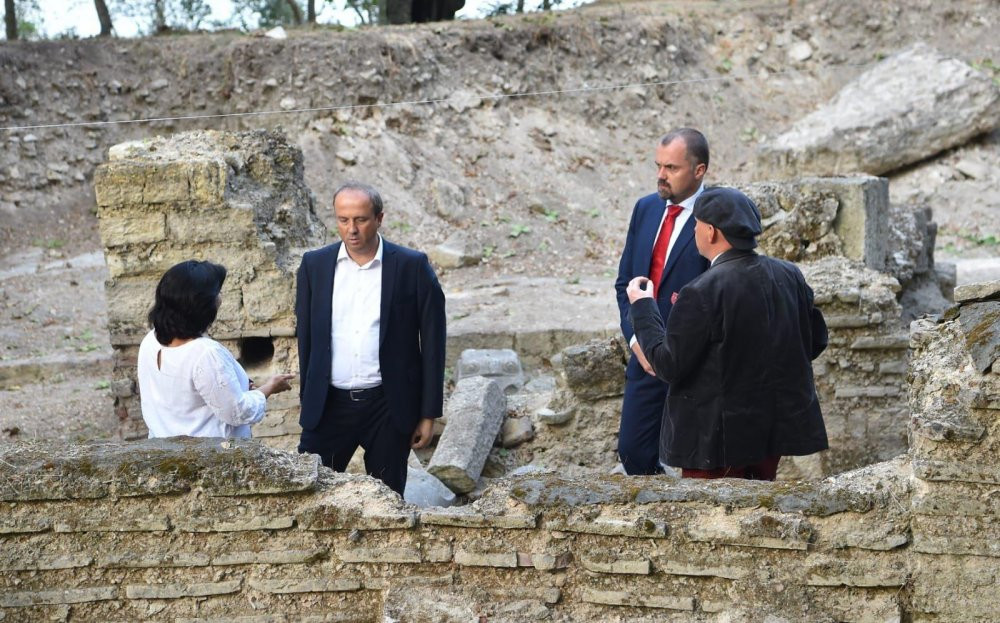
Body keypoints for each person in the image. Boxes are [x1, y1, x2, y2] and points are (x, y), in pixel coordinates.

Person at [626, 187, 829, 480]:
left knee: (712, 519)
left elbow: (668, 364)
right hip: (771, 431)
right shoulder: (788, 275)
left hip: (715, 440)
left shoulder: (702, 290)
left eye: (696, 225)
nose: (694, 231)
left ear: (710, 231)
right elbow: (815, 340)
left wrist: (643, 307)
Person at [295, 181, 446, 496]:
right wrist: (307, 399)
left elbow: (433, 343)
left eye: (361, 219)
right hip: (329, 406)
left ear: (379, 218)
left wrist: (428, 413)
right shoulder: (315, 265)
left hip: (388, 406)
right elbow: (307, 339)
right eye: (343, 220)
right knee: (307, 494)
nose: (351, 229)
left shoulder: (411, 265)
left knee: (388, 499)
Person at [614, 128, 712, 475]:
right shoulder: (645, 209)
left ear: (699, 171)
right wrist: (638, 341)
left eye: (671, 168)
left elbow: (722, 290)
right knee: (634, 454)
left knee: (701, 464)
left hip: (695, 364)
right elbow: (625, 283)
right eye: (658, 165)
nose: (660, 175)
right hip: (646, 357)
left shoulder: (715, 212)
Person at [137, 260, 294, 439]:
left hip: (165, 447)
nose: (220, 298)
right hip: (207, 457)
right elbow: (238, 412)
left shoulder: (151, 339)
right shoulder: (205, 354)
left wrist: (241, 385)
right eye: (217, 293)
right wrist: (270, 387)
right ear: (202, 307)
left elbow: (184, 394)